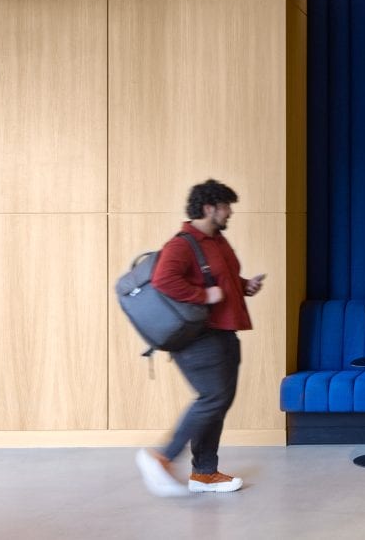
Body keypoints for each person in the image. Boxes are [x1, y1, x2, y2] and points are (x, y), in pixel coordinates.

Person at [134, 179, 265, 496]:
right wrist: (204, 295)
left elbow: (222, 277)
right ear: (209, 208)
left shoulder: (215, 240)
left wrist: (243, 284)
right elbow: (165, 281)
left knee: (219, 402)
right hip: (197, 338)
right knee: (212, 398)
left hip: (224, 331)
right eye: (226, 206)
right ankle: (161, 457)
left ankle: (204, 472)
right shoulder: (182, 244)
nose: (230, 212)